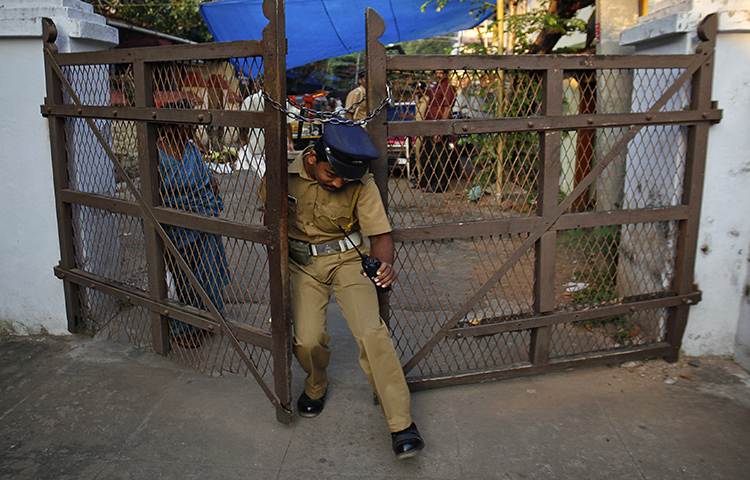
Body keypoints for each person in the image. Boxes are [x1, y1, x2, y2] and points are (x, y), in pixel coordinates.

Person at [260, 123, 424, 458]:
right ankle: (316, 383)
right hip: (301, 263)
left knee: (371, 333)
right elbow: (268, 216)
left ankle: (401, 423)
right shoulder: (283, 172)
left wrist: (384, 265)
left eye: (343, 180)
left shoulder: (360, 181)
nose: (337, 183)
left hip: (349, 260)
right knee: (306, 339)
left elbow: (379, 235)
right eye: (331, 173)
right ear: (313, 157)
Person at [156, 100, 231, 349]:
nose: (192, 127)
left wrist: (211, 181)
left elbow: (205, 175)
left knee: (207, 272)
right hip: (176, 224)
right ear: (170, 124)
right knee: (183, 276)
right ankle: (181, 328)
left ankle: (207, 317)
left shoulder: (191, 148)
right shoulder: (157, 153)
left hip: (204, 216)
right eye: (186, 122)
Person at [421, 70, 456, 193]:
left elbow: (447, 108)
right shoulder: (436, 87)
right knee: (425, 155)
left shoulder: (448, 88)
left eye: (441, 73)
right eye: (436, 73)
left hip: (438, 125)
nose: (438, 75)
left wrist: (441, 130)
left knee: (440, 157)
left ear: (446, 73)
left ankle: (440, 185)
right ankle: (426, 182)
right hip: (429, 124)